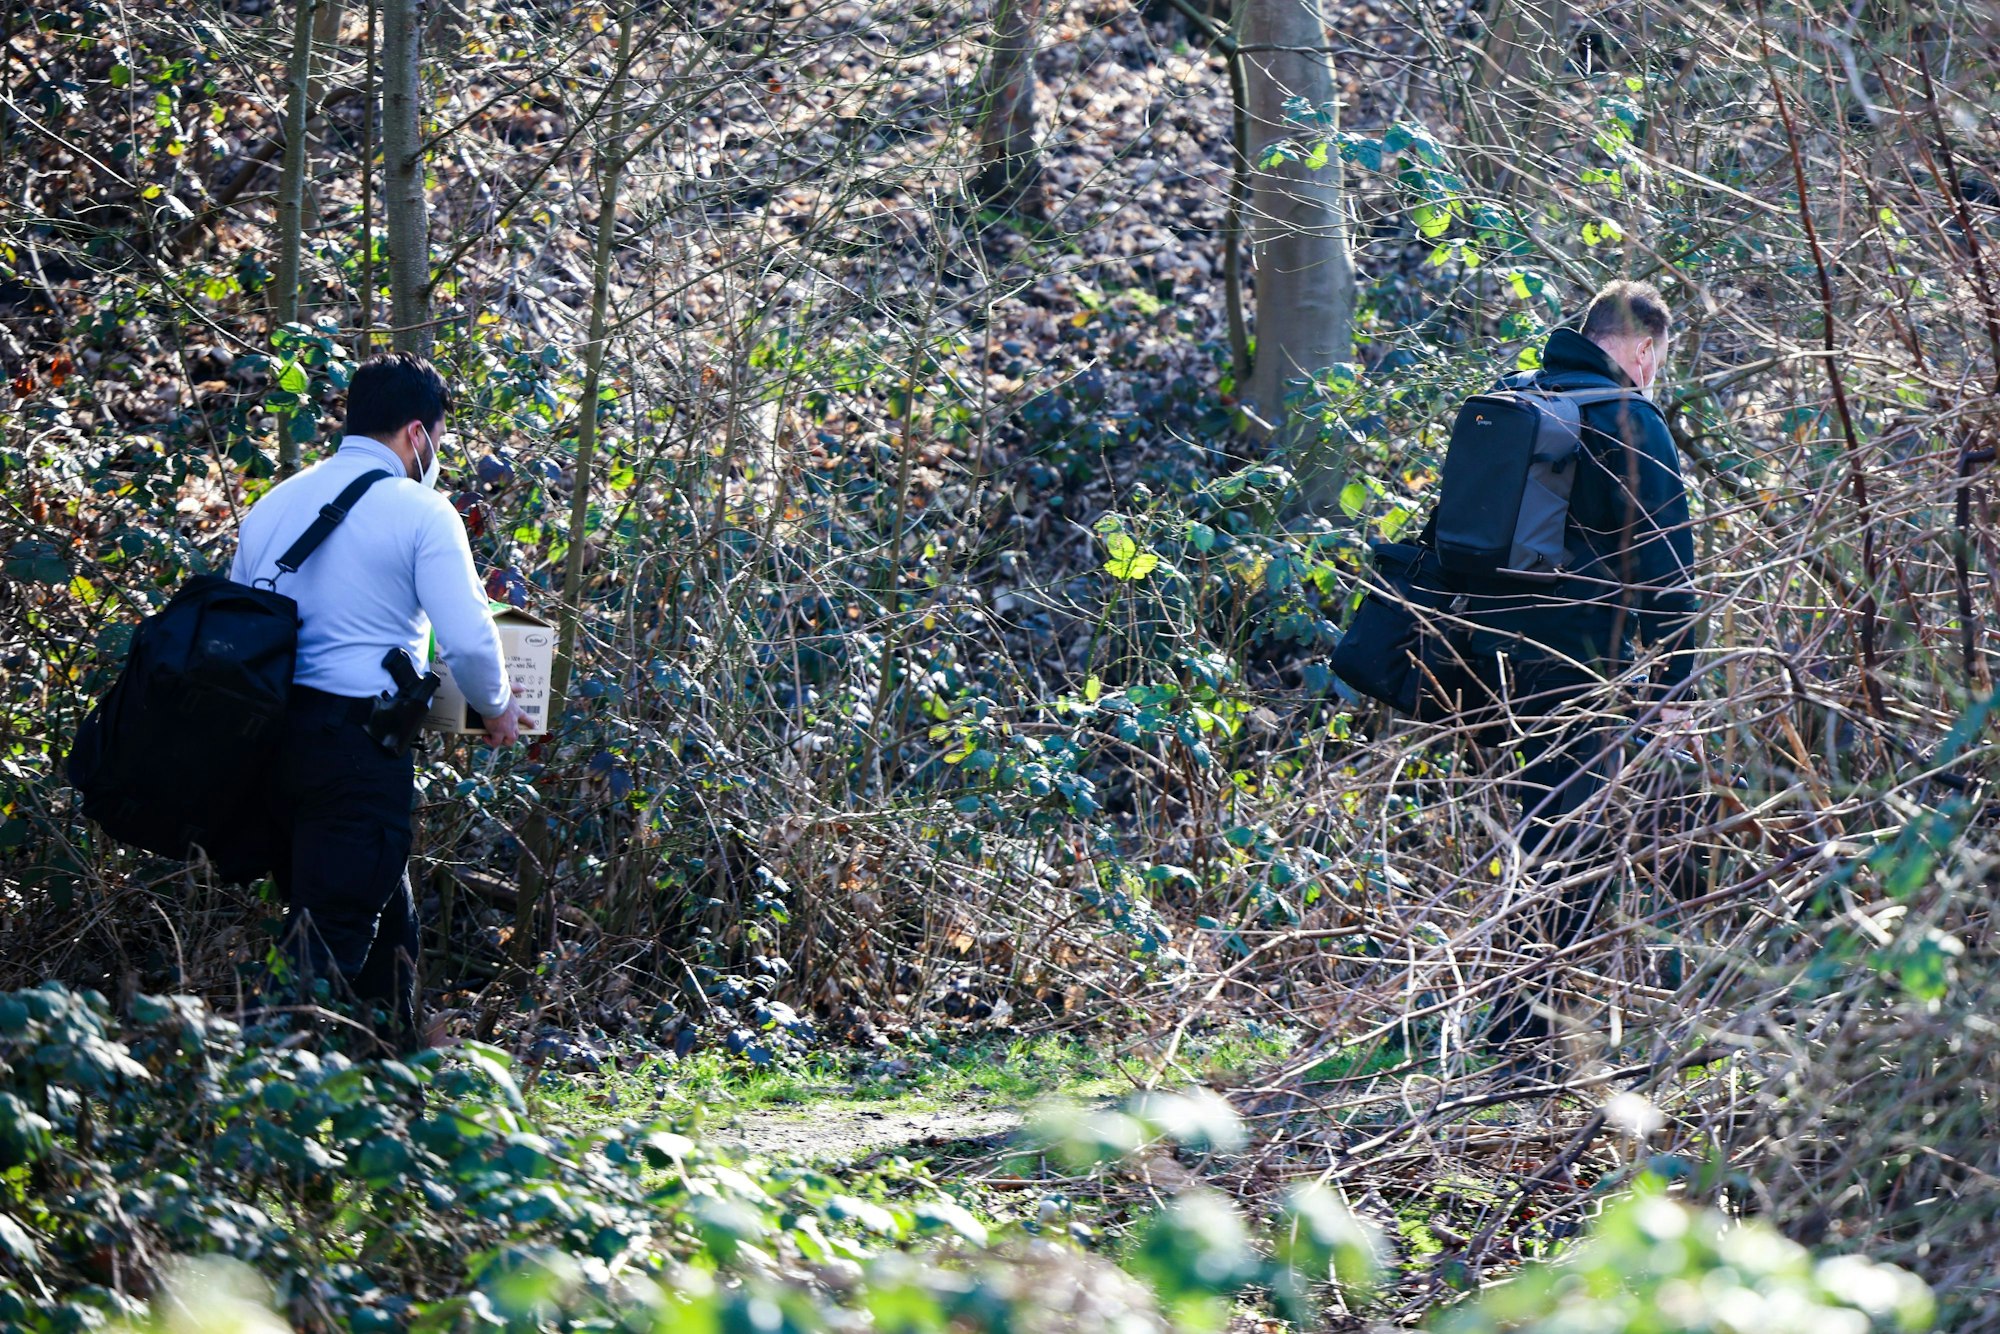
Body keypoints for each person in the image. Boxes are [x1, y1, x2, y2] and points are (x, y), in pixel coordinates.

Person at [230, 353, 528, 1050]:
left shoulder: (274, 504)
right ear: (418, 435)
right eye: (440, 442)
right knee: (327, 941)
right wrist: (500, 706)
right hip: (357, 755)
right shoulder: (422, 512)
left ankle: (391, 1108)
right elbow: (473, 644)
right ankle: (242, 1106)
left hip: (272, 750)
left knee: (387, 929)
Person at [1459, 280, 1702, 1066]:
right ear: (1640, 348)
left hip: (1492, 655)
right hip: (1586, 664)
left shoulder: (1522, 397)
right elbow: (1667, 565)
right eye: (1658, 357)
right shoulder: (1629, 417)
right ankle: (1527, 1032)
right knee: (1576, 839)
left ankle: (1529, 1019)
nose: (1656, 371)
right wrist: (1674, 688)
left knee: (1546, 833)